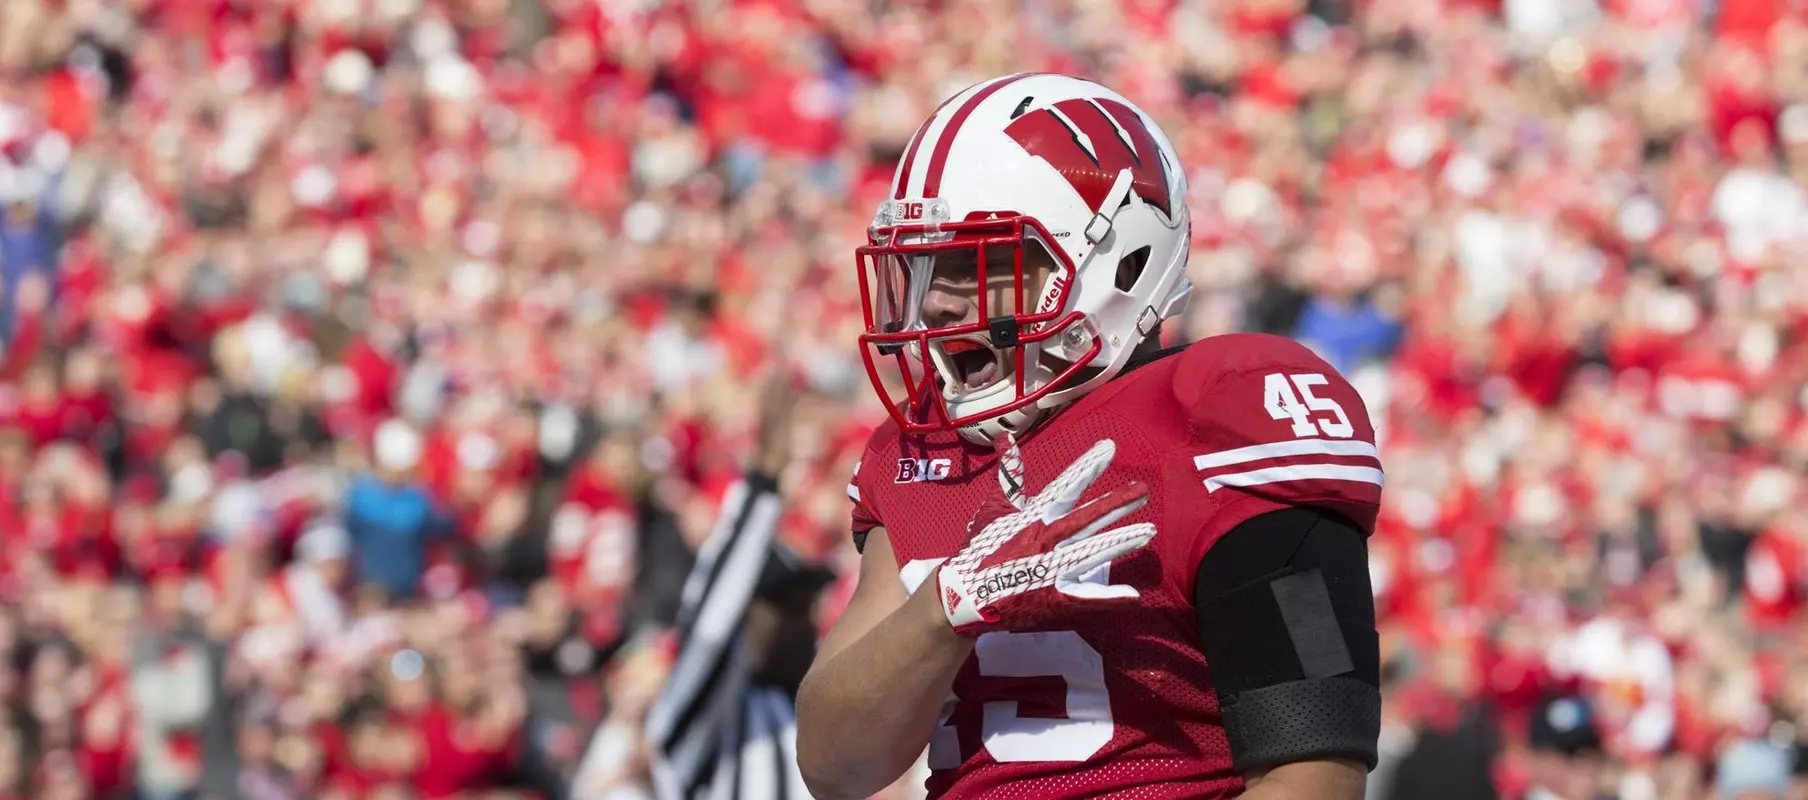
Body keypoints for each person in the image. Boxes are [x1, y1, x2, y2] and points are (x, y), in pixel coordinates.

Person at [795, 73, 1384, 799]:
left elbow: (1315, 771)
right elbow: (832, 763)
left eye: (985, 263)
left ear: (1120, 260)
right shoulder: (918, 452)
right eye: (927, 266)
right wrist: (951, 604)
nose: (941, 298)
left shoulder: (1220, 412)